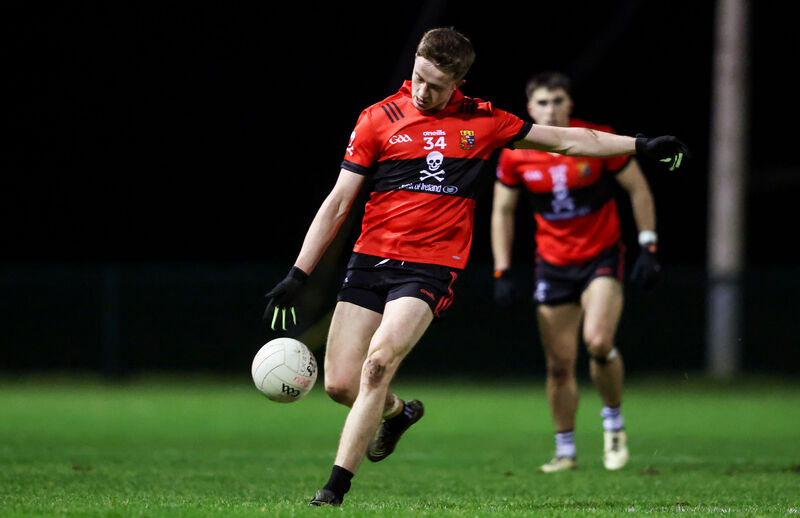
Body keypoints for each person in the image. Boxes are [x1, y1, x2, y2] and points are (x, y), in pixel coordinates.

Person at [263, 29, 687, 506]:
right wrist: (299, 273)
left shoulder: (484, 121)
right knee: (341, 384)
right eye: (419, 78)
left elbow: (567, 141)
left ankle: (334, 489)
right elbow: (339, 201)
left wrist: (640, 143)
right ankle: (399, 414)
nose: (423, 92)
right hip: (370, 261)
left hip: (429, 268)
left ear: (459, 82)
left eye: (436, 86)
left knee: (377, 366)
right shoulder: (377, 120)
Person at [491, 71, 664, 473]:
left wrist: (649, 246)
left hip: (601, 257)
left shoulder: (597, 139)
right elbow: (502, 211)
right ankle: (565, 451)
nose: (551, 108)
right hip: (552, 265)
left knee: (599, 341)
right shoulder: (516, 152)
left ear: (569, 105)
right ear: (529, 109)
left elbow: (638, 189)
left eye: (558, 100)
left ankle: (613, 424)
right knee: (559, 363)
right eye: (542, 102)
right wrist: (502, 271)